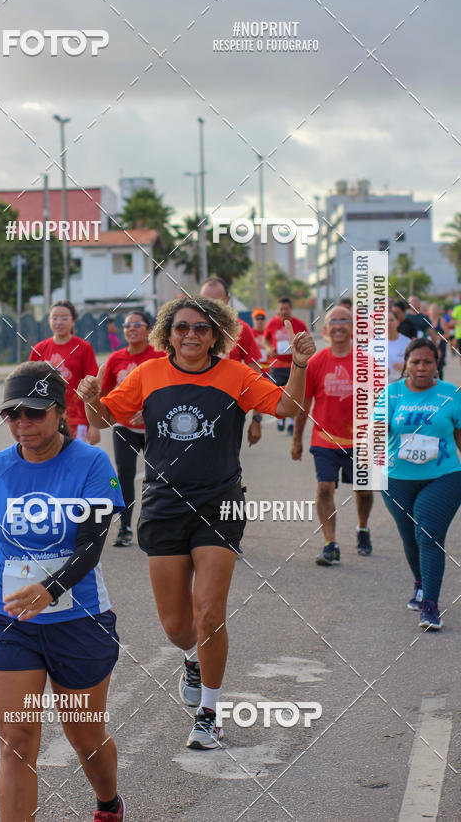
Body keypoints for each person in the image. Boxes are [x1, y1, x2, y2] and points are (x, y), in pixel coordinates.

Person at [78, 295, 315, 749]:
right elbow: (106, 418)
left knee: (209, 613)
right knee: (176, 626)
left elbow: (286, 409)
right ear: (167, 333)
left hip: (218, 506)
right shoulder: (147, 374)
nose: (191, 335)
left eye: (202, 328)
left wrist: (299, 366)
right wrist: (91, 401)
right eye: (182, 327)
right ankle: (189, 657)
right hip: (164, 505)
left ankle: (210, 711)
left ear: (217, 335)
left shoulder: (236, 375)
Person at [0, 363, 125, 821]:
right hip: (9, 623)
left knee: (85, 736)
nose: (22, 424)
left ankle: (109, 804)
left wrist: (49, 590)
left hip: (79, 621)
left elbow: (91, 546)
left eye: (33, 413)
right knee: (16, 741)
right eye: (12, 415)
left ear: (59, 411)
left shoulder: (91, 464)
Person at [380, 339, 461, 630]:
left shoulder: (451, 394)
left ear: (437, 363)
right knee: (409, 536)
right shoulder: (391, 394)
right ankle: (419, 582)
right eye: (416, 362)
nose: (422, 367)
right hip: (397, 478)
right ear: (406, 363)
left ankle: (430, 605)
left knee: (428, 532)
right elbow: (375, 435)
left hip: (444, 476)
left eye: (428, 362)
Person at [291, 306, 374, 564]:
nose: (338, 325)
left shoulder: (367, 363)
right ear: (325, 329)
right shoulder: (316, 362)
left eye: (344, 320)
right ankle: (330, 543)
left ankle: (362, 528)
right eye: (332, 321)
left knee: (364, 492)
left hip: (359, 441)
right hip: (324, 440)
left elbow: (379, 406)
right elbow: (304, 404)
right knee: (325, 488)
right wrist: (296, 439)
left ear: (352, 327)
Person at [101, 311, 165, 547]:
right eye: (127, 325)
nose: (131, 328)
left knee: (156, 477)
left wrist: (152, 410)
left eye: (137, 324)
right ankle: (125, 526)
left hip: (155, 427)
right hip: (124, 426)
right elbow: (106, 393)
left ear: (149, 330)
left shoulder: (159, 356)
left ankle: (154, 525)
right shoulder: (116, 358)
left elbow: (170, 391)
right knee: (124, 474)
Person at [199, 276, 264, 446]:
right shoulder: (189, 330)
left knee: (225, 464)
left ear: (227, 300)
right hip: (194, 407)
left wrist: (257, 419)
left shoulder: (241, 329)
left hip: (230, 410)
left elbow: (256, 375)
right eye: (205, 301)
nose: (210, 306)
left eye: (216, 301)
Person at [29, 301, 100, 445]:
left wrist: (94, 424)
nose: (59, 322)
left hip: (78, 418)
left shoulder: (84, 348)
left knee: (74, 460)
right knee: (49, 460)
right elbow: (29, 385)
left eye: (64, 318)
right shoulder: (39, 349)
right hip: (46, 418)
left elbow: (93, 388)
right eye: (54, 318)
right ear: (49, 320)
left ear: (73, 321)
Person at [263, 296, 309, 434]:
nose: (283, 311)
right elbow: (265, 339)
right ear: (278, 309)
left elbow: (306, 340)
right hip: (277, 365)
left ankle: (290, 422)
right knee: (278, 392)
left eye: (286, 309)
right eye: (281, 309)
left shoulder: (299, 324)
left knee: (292, 393)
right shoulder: (272, 324)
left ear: (291, 309)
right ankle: (281, 418)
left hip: (293, 365)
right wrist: (269, 348)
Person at [386, 308, 410, 383]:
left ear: (398, 322)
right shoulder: (374, 343)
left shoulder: (407, 342)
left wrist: (404, 369)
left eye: (391, 320)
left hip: (401, 385)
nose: (388, 323)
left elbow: (415, 368)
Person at [427, 303, 447, 379]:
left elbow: (447, 334)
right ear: (429, 311)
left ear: (438, 311)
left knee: (439, 366)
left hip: (440, 346)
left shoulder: (441, 321)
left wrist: (439, 337)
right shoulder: (426, 320)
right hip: (429, 345)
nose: (434, 311)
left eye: (435, 309)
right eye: (432, 309)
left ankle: (440, 383)